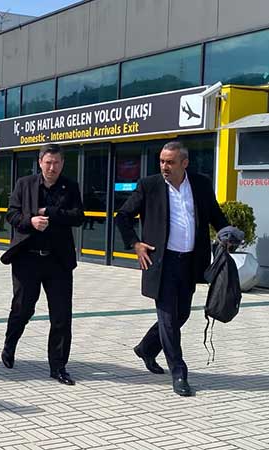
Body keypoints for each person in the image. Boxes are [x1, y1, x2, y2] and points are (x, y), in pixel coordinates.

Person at [116, 141, 229, 397]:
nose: (164, 166)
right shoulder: (149, 185)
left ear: (184, 163)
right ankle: (179, 372)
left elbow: (215, 215)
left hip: (190, 262)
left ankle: (146, 348)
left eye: (170, 162)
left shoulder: (200, 184)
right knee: (167, 318)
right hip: (162, 263)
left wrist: (227, 233)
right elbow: (122, 216)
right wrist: (135, 244)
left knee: (181, 315)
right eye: (162, 161)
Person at [0, 144, 84, 386]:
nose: (52, 167)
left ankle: (58, 366)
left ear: (62, 164)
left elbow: (78, 216)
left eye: (56, 163)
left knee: (61, 315)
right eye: (48, 162)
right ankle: (9, 345)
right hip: (27, 258)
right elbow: (11, 214)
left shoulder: (70, 186)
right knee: (23, 309)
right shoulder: (24, 184)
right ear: (40, 162)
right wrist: (31, 221)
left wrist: (51, 213)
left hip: (58, 260)